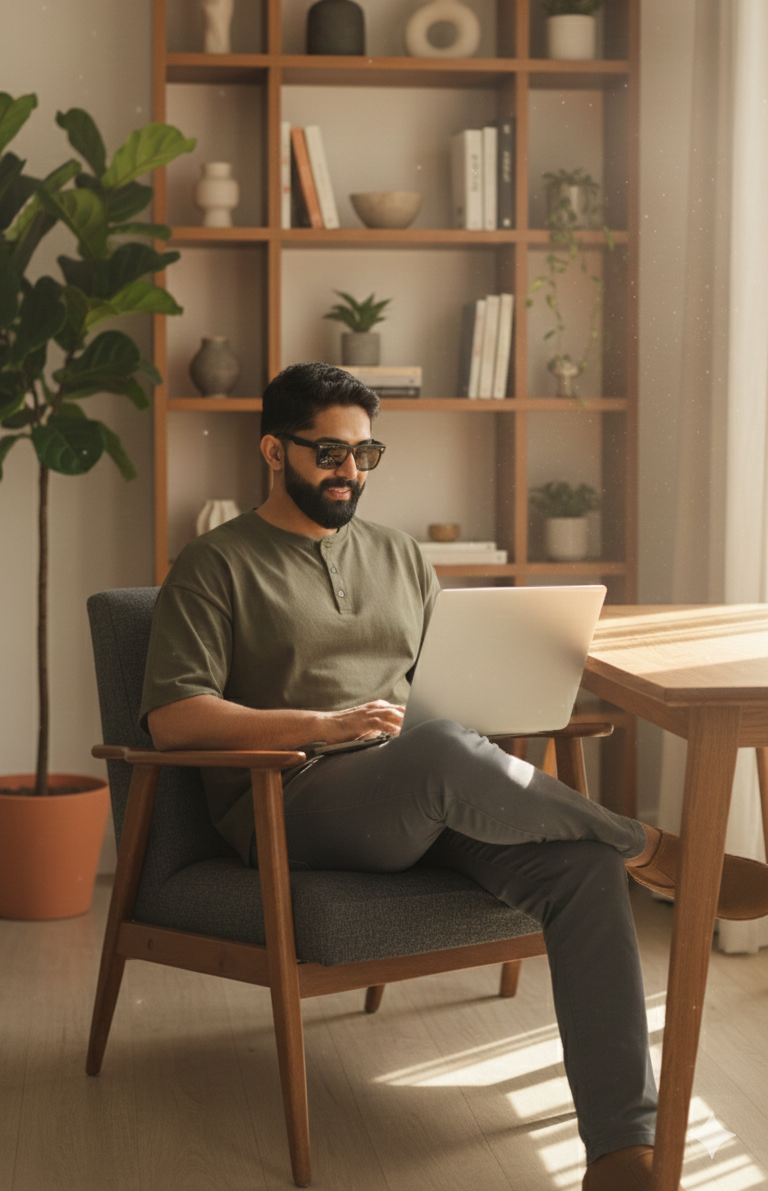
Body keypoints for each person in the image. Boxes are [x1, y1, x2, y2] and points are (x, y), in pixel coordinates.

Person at [140, 362, 768, 1191]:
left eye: (365, 455)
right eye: (329, 453)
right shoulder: (215, 563)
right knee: (440, 751)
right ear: (272, 449)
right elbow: (174, 717)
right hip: (290, 799)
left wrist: (512, 699)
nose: (349, 472)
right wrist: (325, 726)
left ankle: (623, 1152)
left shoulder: (401, 558)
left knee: (575, 867)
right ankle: (647, 845)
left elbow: (448, 685)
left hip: (422, 792)